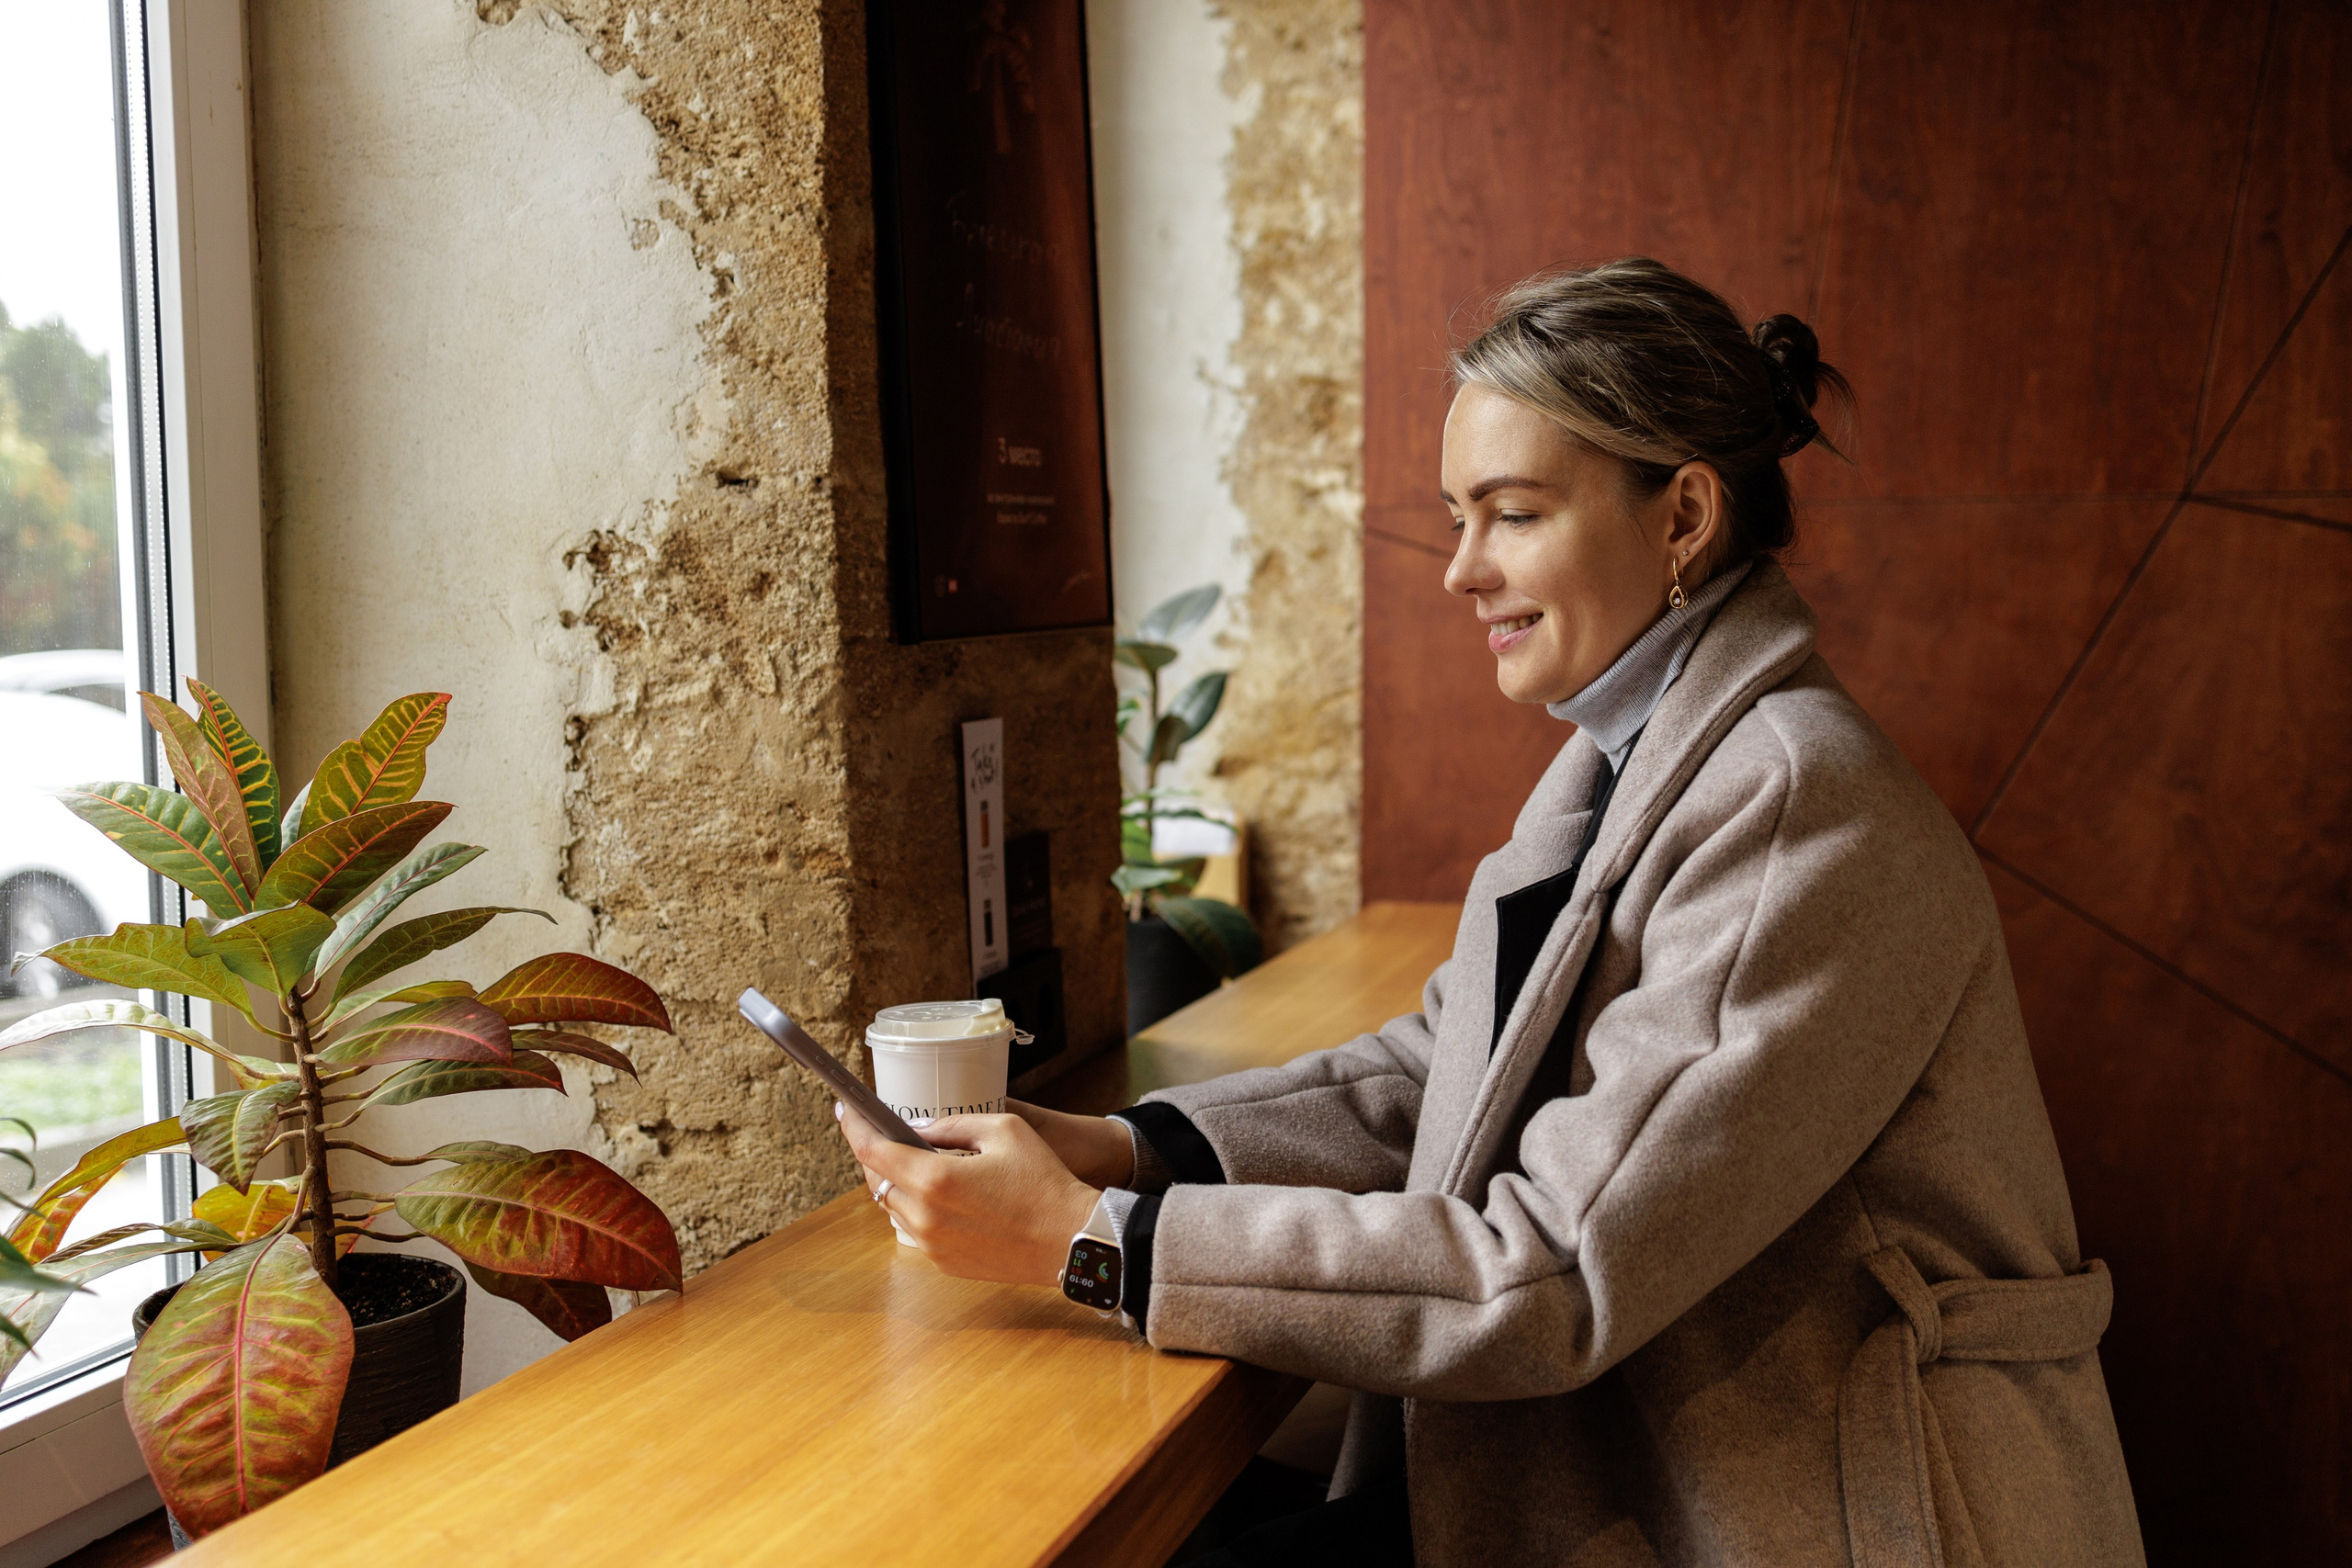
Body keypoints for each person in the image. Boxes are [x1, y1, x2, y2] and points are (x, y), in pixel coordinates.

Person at [838, 257, 2144, 1567]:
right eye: (1458, 517)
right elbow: (1437, 1071)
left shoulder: (1796, 804)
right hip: (1644, 1465)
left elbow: (1557, 1268)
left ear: (1683, 515)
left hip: (1826, 1518)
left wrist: (1092, 1243)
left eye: (1511, 514)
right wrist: (1118, 1152)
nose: (1461, 570)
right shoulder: (1634, 751)